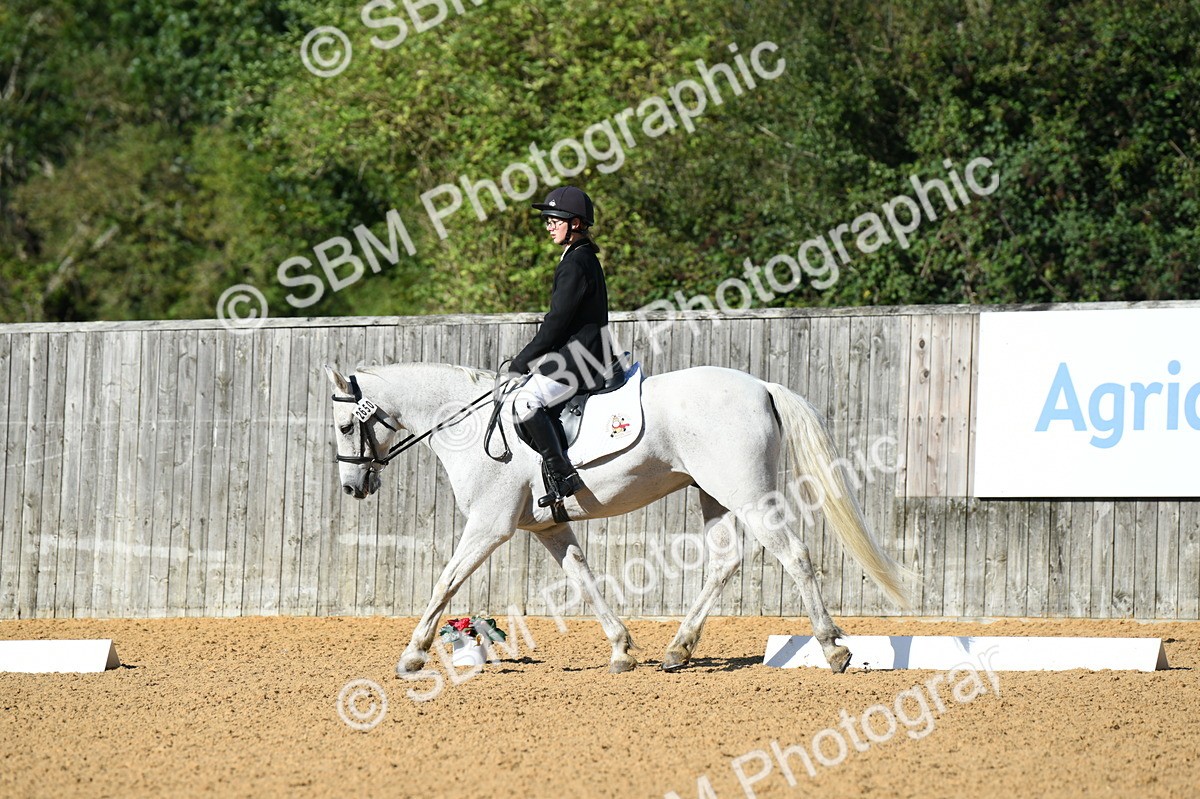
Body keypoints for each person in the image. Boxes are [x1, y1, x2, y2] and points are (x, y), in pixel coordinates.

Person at [506, 185, 615, 506]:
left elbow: (556, 321)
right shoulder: (582, 259)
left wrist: (522, 361)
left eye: (555, 220)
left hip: (581, 358)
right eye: (548, 220)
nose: (549, 226)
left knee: (524, 401)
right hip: (579, 354)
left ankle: (562, 473)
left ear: (576, 224)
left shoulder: (575, 264)